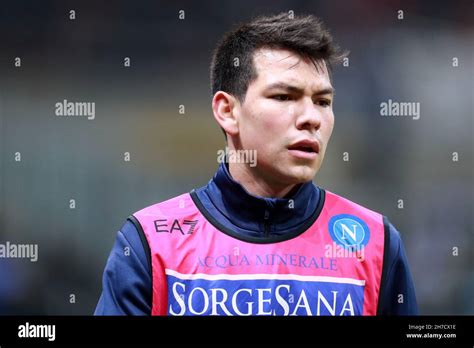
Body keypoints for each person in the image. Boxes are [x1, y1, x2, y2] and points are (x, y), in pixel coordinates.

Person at [95, 12, 418, 316]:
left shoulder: (375, 241)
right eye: (283, 97)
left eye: (323, 102)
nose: (311, 118)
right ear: (227, 111)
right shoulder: (151, 241)